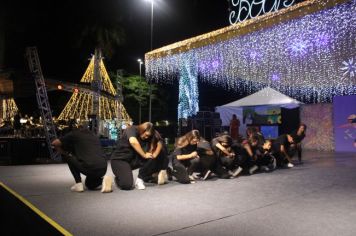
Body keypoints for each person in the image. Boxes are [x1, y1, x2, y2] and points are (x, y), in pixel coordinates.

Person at [51, 126, 112, 193]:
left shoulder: (73, 134)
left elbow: (54, 143)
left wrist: (62, 152)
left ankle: (78, 183)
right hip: (103, 168)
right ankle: (103, 180)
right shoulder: (93, 135)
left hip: (91, 167)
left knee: (68, 157)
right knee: (89, 184)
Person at [110, 122, 169, 190]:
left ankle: (142, 178)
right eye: (146, 135)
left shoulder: (150, 134)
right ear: (142, 130)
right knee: (127, 185)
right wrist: (144, 155)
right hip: (120, 160)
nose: (146, 137)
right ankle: (119, 177)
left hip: (134, 160)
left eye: (148, 136)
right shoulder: (132, 129)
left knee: (153, 156)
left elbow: (160, 142)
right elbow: (133, 142)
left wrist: (155, 155)